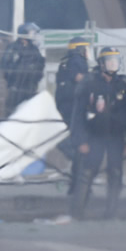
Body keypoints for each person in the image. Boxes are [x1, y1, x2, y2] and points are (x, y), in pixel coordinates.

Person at [69, 47, 126, 220]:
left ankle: (111, 213)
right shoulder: (90, 83)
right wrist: (80, 140)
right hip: (94, 136)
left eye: (116, 61)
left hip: (116, 136)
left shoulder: (124, 84)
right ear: (101, 64)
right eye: (109, 61)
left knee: (115, 173)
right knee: (87, 173)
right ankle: (77, 213)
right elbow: (77, 116)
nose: (113, 64)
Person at [55, 36, 91, 194]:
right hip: (75, 107)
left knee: (77, 143)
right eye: (86, 49)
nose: (87, 52)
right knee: (80, 145)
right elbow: (80, 78)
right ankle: (81, 186)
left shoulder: (64, 62)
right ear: (80, 49)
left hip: (65, 106)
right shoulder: (77, 61)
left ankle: (76, 185)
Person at [0, 22, 46, 116]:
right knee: (12, 114)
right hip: (16, 89)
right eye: (32, 32)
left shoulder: (34, 50)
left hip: (30, 89)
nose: (34, 35)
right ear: (24, 33)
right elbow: (5, 66)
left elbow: (39, 69)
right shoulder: (13, 48)